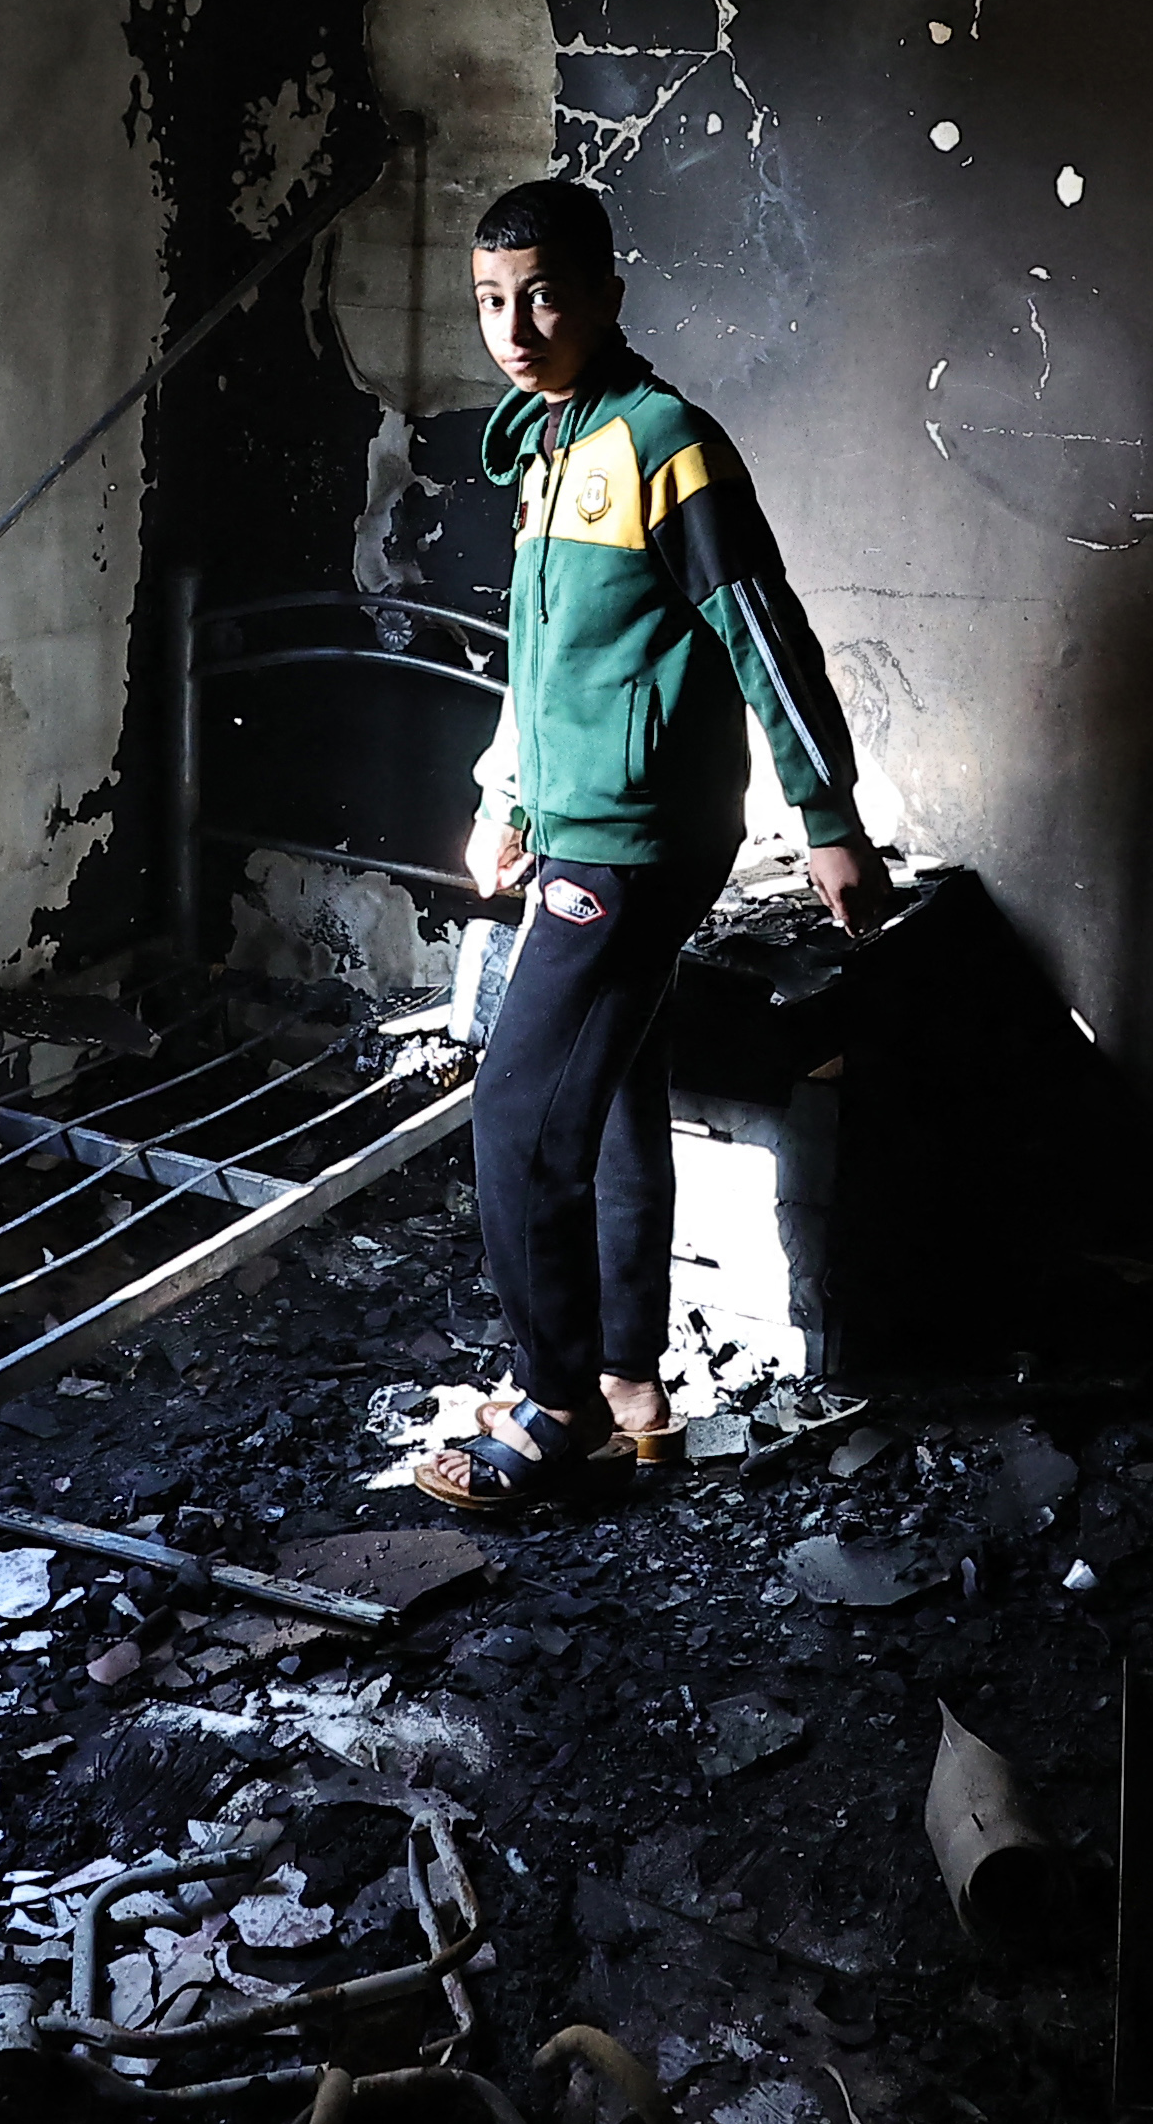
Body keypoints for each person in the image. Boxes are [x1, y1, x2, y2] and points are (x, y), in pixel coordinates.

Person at [411, 175, 887, 1514]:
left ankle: (552, 1405)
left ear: (607, 297)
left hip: (636, 843)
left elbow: (763, 630)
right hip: (576, 824)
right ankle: (628, 1387)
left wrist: (830, 817)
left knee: (516, 1123)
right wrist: (506, 795)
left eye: (545, 295)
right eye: (494, 301)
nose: (516, 325)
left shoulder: (668, 441)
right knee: (612, 1103)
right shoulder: (551, 444)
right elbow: (543, 657)